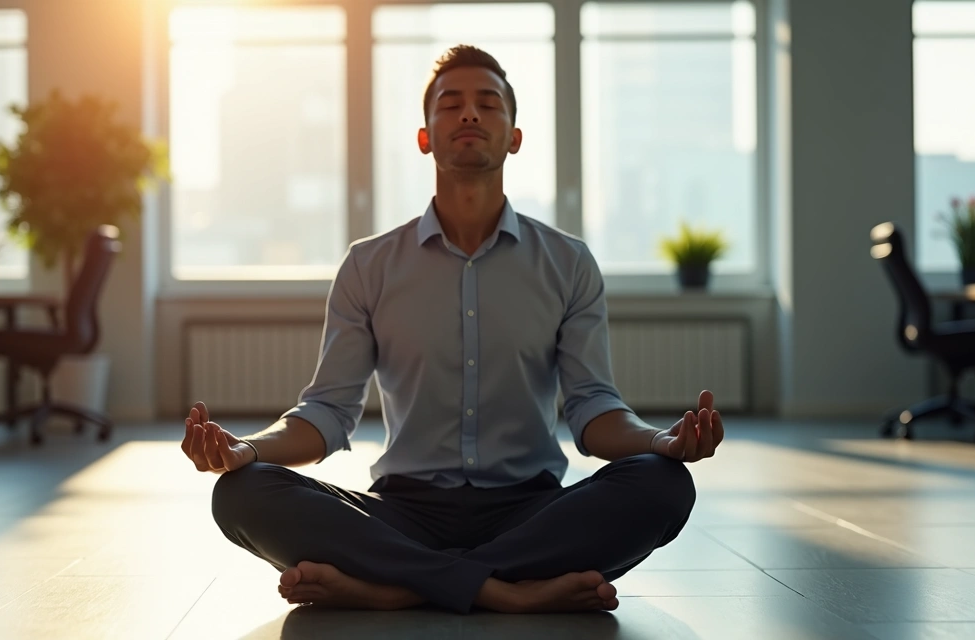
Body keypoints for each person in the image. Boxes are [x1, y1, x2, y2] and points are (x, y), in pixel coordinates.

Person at [182, 45, 724, 616]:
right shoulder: (369, 264)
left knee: (663, 484)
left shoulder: (568, 262)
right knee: (242, 491)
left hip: (529, 511)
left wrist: (660, 443)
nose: (469, 113)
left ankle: (396, 587)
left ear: (514, 137)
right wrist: (246, 449)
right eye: (450, 104)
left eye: (488, 103)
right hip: (403, 512)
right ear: (425, 138)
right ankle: (503, 589)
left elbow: (592, 408)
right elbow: (327, 412)